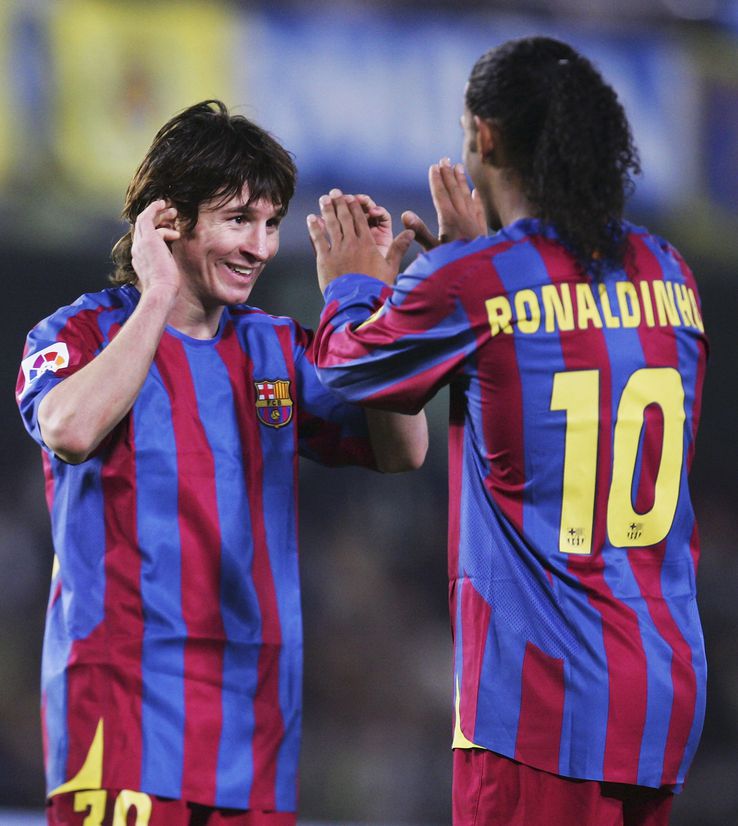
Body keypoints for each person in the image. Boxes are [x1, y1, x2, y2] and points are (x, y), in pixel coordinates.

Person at [308, 36, 707, 826]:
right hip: (663, 692)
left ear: (484, 137)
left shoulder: (480, 282)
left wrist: (354, 285)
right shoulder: (670, 271)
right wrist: (474, 259)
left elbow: (346, 368)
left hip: (542, 702)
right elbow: (547, 356)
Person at [15, 99, 427, 826]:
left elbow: (404, 451)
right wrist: (157, 297)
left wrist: (377, 318)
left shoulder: (275, 348)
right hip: (120, 707)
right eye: (239, 219)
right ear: (168, 220)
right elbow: (70, 429)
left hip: (251, 716)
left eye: (270, 224)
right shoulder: (79, 332)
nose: (260, 247)